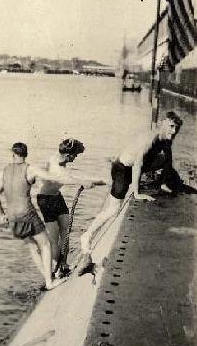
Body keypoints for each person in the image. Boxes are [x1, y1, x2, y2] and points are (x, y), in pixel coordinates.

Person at [78, 111, 183, 274]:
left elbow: (168, 160)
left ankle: (162, 183)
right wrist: (136, 192)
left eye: (176, 128)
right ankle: (87, 235)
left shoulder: (166, 140)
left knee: (165, 160)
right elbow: (137, 165)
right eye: (171, 126)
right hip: (122, 169)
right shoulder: (151, 139)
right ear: (162, 123)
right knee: (114, 209)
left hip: (135, 167)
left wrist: (163, 183)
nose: (174, 131)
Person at [0, 142, 67, 291]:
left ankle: (48, 278)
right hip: (27, 213)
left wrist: (2, 214)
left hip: (12, 217)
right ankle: (49, 281)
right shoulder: (30, 168)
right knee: (45, 245)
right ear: (25, 155)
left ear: (13, 154)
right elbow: (50, 176)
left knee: (33, 247)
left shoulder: (4, 171)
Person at [36, 138, 106, 276]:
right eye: (75, 155)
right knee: (54, 237)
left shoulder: (62, 160)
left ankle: (64, 264)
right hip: (45, 200)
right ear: (69, 155)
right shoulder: (55, 163)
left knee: (65, 231)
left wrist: (97, 180)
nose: (75, 158)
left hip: (57, 196)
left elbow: (69, 176)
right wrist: (83, 181)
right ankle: (55, 268)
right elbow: (66, 178)